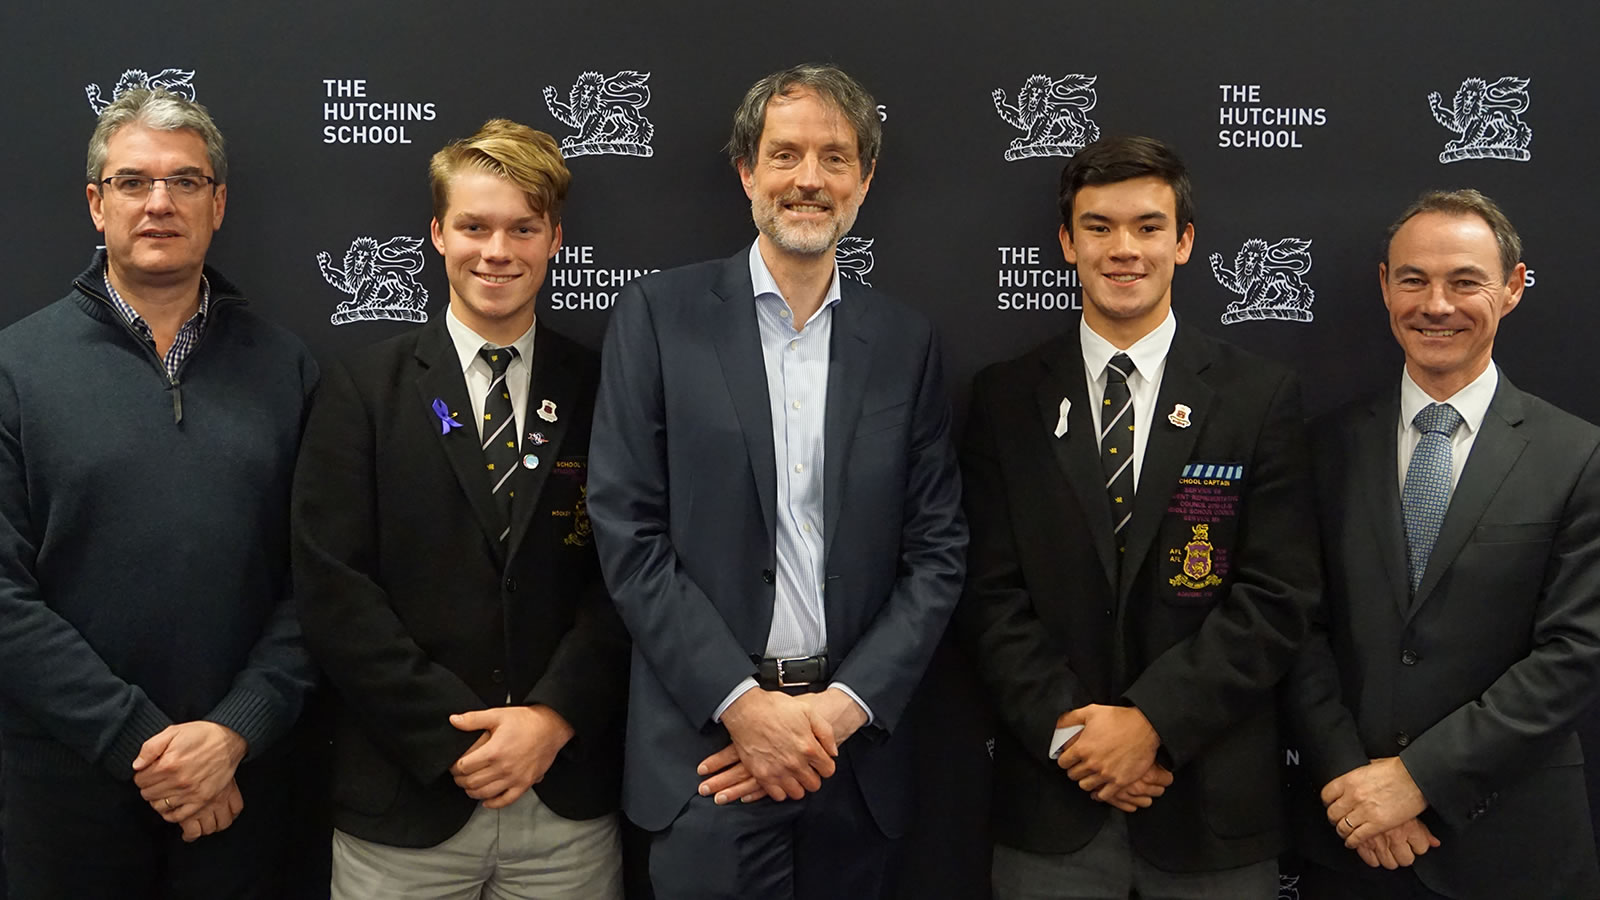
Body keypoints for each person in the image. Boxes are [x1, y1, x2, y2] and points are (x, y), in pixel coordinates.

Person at [586, 63, 967, 899]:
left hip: (853, 757)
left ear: (864, 182)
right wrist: (742, 706)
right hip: (709, 757)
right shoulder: (658, 318)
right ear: (747, 171)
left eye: (835, 158)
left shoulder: (906, 343)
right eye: (785, 153)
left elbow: (937, 553)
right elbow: (627, 531)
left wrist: (839, 711)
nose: (808, 179)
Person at [956, 135, 1318, 899]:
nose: (1124, 249)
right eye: (1099, 226)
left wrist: (1152, 723)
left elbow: (1276, 596)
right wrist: (1076, 737)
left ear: (1184, 242)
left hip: (1209, 806)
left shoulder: (1260, 398)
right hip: (1053, 807)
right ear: (1066, 242)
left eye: (1149, 227)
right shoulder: (1004, 399)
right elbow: (988, 595)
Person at [291, 119, 628, 899]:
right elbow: (334, 590)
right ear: (438, 234)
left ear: (554, 240)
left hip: (564, 803)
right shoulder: (362, 391)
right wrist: (455, 738)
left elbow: (630, 573)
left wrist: (552, 718)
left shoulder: (606, 387)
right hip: (406, 802)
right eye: (474, 226)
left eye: (522, 228)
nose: (497, 251)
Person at [0, 87, 318, 898]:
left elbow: (323, 583)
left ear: (218, 203)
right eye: (133, 181)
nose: (159, 203)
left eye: (184, 182)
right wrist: (144, 743)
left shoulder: (290, 371)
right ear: (95, 203)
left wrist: (232, 734)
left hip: (244, 789)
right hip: (66, 796)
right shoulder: (16, 370)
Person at [1284, 189, 1600, 900]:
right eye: (1414, 279)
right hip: (1353, 844)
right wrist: (1354, 788)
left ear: (1513, 288)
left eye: (1465, 281)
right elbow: (1298, 629)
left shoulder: (1579, 457)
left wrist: (1417, 779)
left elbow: (1576, 652)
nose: (1436, 304)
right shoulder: (1324, 449)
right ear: (1385, 286)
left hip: (1515, 845)